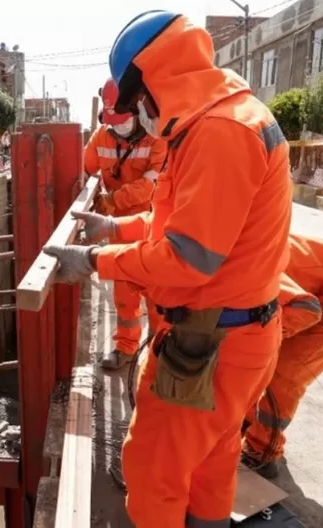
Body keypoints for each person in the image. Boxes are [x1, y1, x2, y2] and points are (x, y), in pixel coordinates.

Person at [42, 11, 292, 526]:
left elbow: (186, 258)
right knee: (209, 469)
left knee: (154, 474)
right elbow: (173, 223)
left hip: (209, 347)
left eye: (136, 103)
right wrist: (115, 229)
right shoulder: (219, 120)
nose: (141, 115)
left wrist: (93, 261)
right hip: (237, 338)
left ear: (154, 81)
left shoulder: (220, 132)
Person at [243, 234, 323, 479]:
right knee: (255, 359)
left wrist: (257, 341)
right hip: (321, 269)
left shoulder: (242, 267)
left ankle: (263, 452)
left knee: (285, 375)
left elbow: (306, 310)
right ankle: (250, 422)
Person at [82, 77, 167, 371]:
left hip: (152, 226)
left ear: (139, 111)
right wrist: (88, 196)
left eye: (123, 120)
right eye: (112, 121)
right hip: (117, 229)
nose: (118, 126)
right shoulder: (101, 138)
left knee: (158, 293)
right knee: (124, 295)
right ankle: (126, 347)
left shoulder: (158, 140)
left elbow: (151, 186)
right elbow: (86, 171)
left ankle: (161, 348)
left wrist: (113, 200)